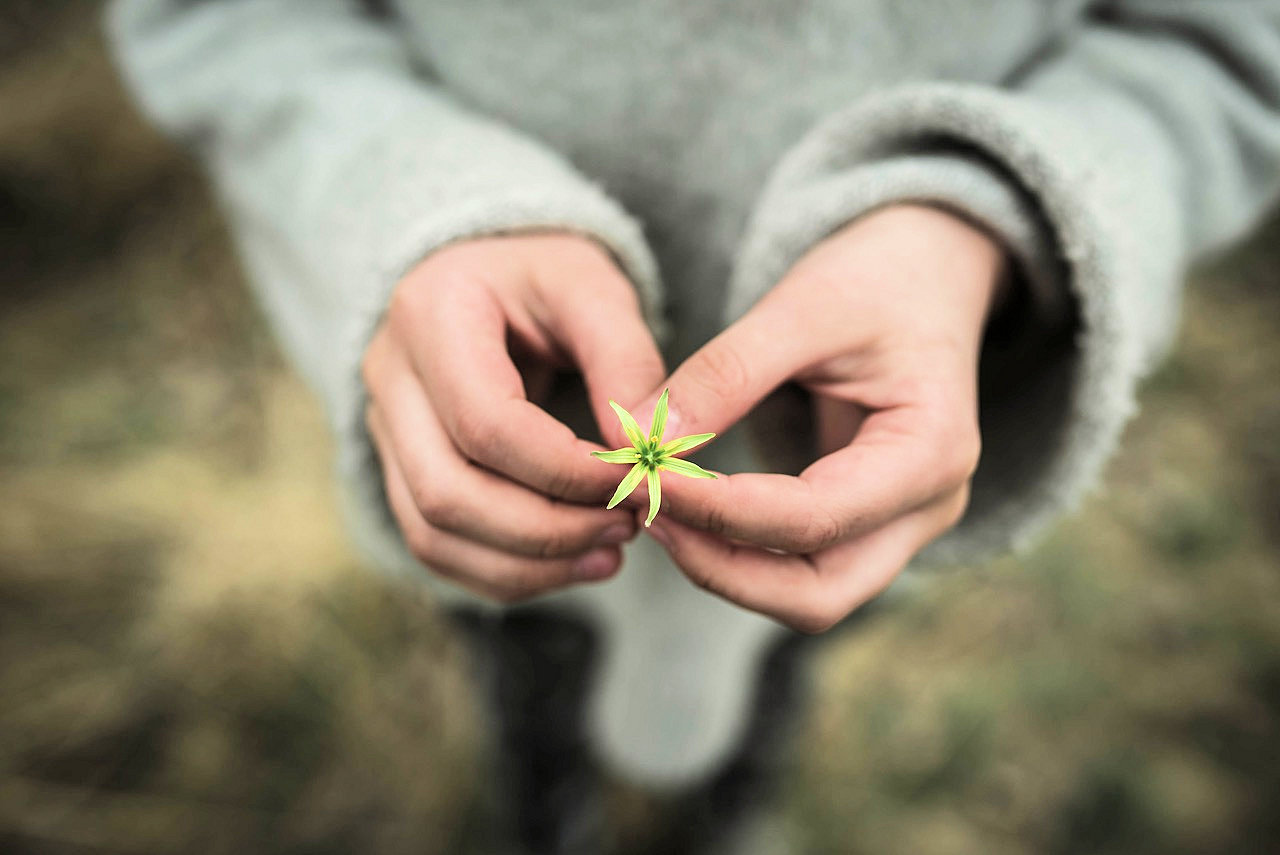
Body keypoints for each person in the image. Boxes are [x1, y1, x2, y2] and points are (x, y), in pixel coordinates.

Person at [107, 1, 1280, 852]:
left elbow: (1223, 48)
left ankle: (730, 806)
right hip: (500, 474)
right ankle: (549, 811)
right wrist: (412, 197)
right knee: (525, 662)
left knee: (779, 665)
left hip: (840, 472)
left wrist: (982, 214)